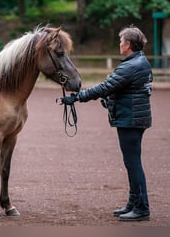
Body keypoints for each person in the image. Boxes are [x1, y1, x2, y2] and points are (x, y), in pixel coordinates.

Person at [61, 25, 152, 221]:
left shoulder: (130, 66)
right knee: (131, 163)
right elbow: (124, 90)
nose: (120, 45)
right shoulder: (139, 62)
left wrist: (77, 98)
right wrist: (111, 100)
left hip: (131, 120)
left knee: (133, 164)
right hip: (134, 118)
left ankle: (142, 208)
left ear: (128, 45)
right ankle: (133, 203)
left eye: (121, 42)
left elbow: (106, 86)